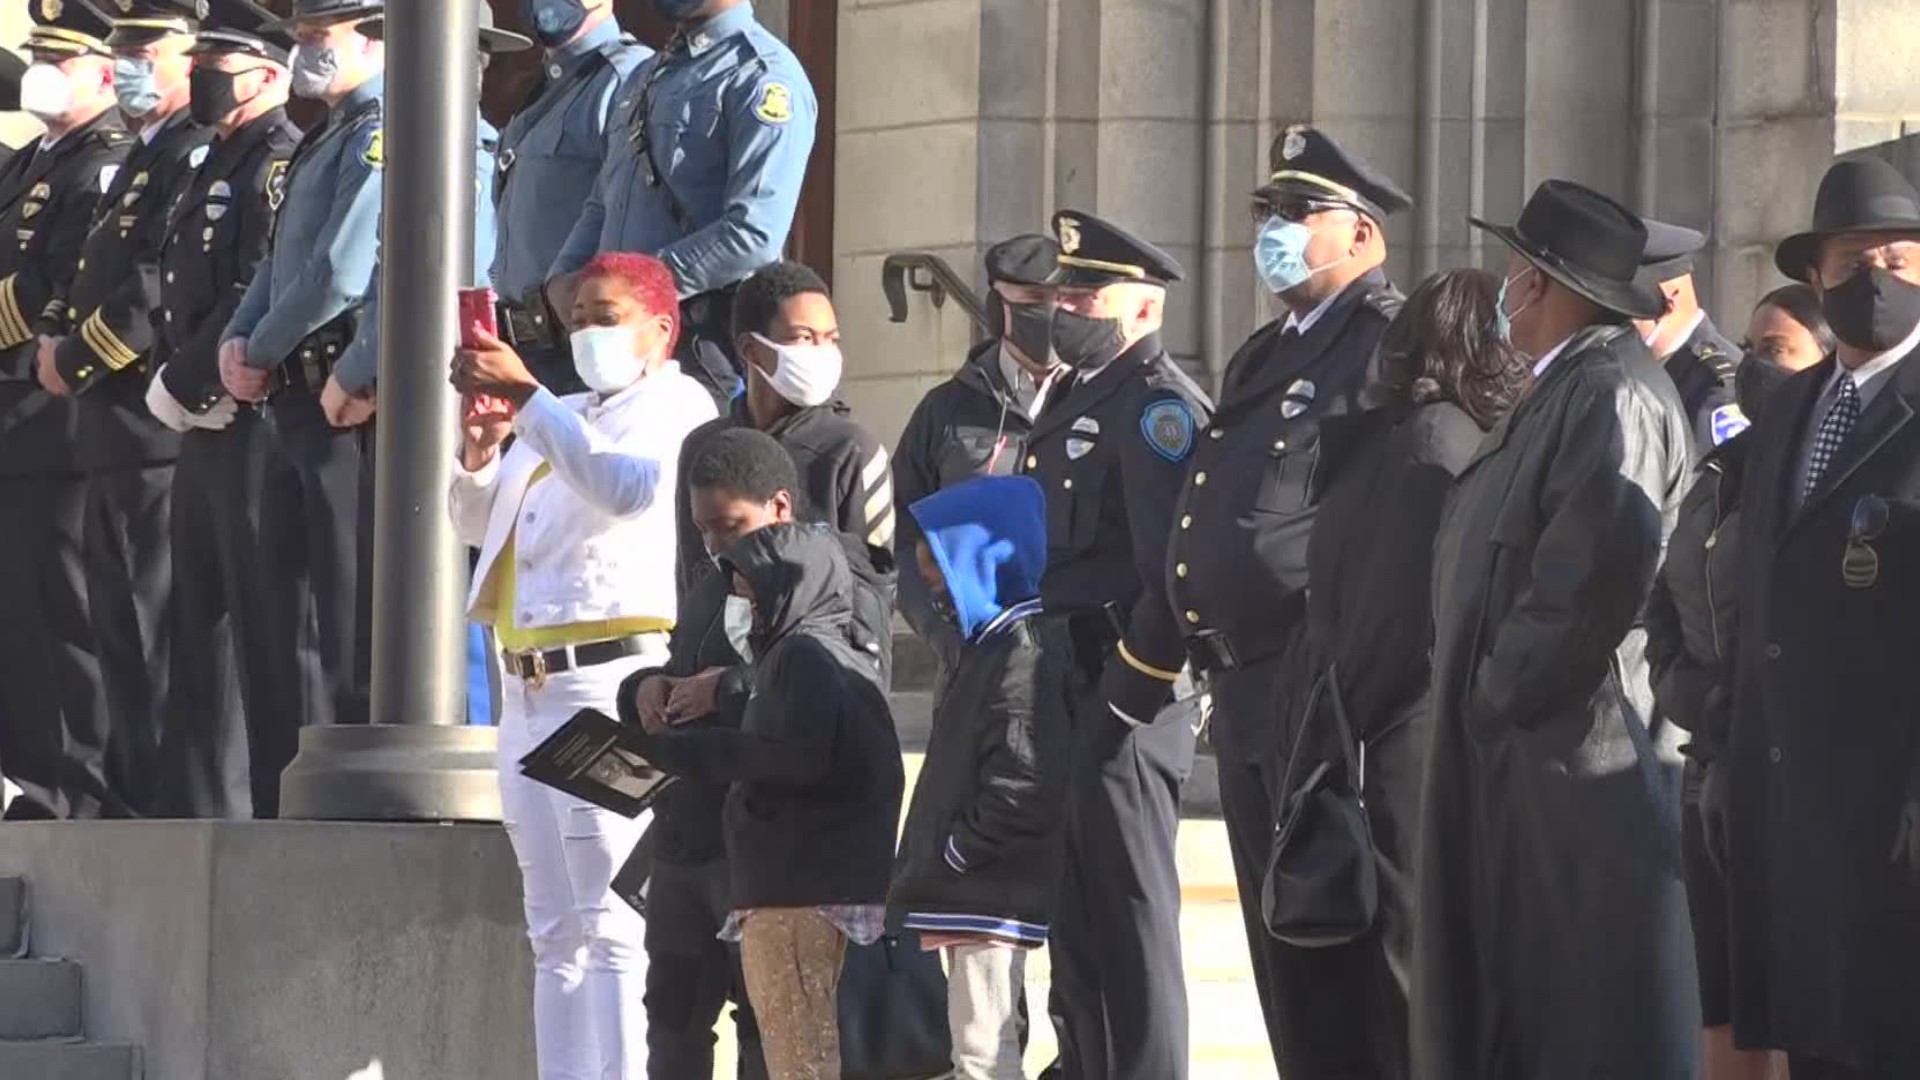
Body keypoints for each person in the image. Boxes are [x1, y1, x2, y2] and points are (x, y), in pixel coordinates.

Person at [1413, 179, 1699, 1079]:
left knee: (1591, 1018)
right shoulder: (1566, 388)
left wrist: (1492, 696)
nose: (1504, 288)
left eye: (1515, 270)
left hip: (1580, 769)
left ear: (1540, 285)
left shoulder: (1612, 394)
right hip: (1527, 769)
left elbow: (1587, 586)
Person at [1162, 124, 1409, 1078]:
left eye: (1300, 213)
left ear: (1361, 234)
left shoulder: (1385, 342)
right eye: (1267, 210)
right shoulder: (1267, 350)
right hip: (1251, 691)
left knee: (1349, 948)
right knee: (1284, 950)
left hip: (1326, 690)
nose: (1276, 229)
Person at [448, 251, 717, 1080]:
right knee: (552, 926)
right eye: (576, 322)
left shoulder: (676, 403)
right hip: (529, 682)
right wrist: (481, 450)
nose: (587, 335)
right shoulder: (558, 410)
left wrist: (528, 403)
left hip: (614, 680)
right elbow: (472, 524)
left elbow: (627, 489)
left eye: (607, 317)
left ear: (660, 329)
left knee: (610, 920)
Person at [1713, 156, 1920, 1080]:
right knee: (1816, 1043)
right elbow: (1757, 599)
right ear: (1816, 277)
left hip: (1893, 813)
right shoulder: (1791, 406)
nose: (1875, 278)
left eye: (1900, 259)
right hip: (1791, 803)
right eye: (1851, 261)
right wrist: (1729, 750)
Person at [1023, 210, 1211, 1080]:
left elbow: (1170, 569)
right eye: (1063, 290)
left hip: (1121, 691)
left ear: (1141, 308)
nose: (1067, 306)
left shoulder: (1157, 406)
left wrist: (1127, 694)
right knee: (1076, 925)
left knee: (1130, 928)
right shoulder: (1069, 394)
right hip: (1062, 684)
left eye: (1086, 292)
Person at [633, 519, 904, 1080]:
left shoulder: (802, 657)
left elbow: (785, 757)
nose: (743, 603)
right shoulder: (836, 655)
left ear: (787, 590)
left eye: (752, 591)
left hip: (797, 903)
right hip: (818, 895)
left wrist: (680, 755)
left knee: (799, 1063)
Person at [26, 0, 212, 818]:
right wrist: (62, 339)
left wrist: (72, 354)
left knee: (142, 623)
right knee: (100, 623)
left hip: (142, 418)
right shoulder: (140, 156)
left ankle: (143, 798)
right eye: (125, 49)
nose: (135, 63)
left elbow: (145, 289)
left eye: (149, 51)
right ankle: (113, 796)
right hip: (101, 423)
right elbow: (83, 279)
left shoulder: (185, 151)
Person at [1645, 283, 1830, 1080]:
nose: (1754, 366)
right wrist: (1692, 695)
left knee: (1792, 1005)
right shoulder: (1722, 469)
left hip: (1788, 774)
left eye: (1777, 350)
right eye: (1750, 347)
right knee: (1719, 999)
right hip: (1708, 762)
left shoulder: (1828, 477)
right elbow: (1664, 603)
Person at [144, 0, 300, 819]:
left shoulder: (275, 160)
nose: (205, 75)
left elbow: (255, 284)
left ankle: (268, 806)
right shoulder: (213, 159)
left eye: (222, 63)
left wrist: (191, 380)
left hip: (246, 416)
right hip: (202, 428)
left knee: (264, 626)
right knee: (196, 627)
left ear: (268, 75)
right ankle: (201, 807)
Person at [217, 0, 384, 752]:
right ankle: (286, 787)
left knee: (342, 616)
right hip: (293, 395)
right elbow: (279, 263)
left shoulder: (382, 136)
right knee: (283, 613)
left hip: (341, 400)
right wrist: (239, 336)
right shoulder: (328, 136)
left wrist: (264, 346)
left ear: (378, 38)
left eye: (323, 36)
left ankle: (338, 787)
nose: (307, 49)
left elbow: (339, 274)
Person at [616, 428, 788, 1080]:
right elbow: (676, 666)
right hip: (683, 841)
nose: (716, 543)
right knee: (673, 1021)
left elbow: (829, 699)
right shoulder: (711, 586)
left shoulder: (825, 585)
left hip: (758, 847)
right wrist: (646, 691)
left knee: (763, 1031)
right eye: (704, 529)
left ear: (778, 507)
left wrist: (729, 690)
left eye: (729, 525)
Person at [546, 0, 817, 406]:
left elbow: (753, 232)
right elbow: (605, 198)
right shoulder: (647, 74)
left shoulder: (762, 76)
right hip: (611, 340)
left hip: (697, 341)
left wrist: (642, 287)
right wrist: (564, 276)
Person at [0, 0, 134, 819]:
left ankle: (81, 786)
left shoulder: (103, 163)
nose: (43, 70)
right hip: (14, 417)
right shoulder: (27, 161)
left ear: (100, 72)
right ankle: (34, 779)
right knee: (22, 615)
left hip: (51, 413)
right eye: (37, 54)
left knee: (68, 612)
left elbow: (53, 285)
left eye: (64, 58)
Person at [890, 475, 1071, 1080]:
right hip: (971, 888)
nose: (933, 589)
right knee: (975, 1049)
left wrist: (959, 851)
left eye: (941, 569)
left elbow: (1024, 779)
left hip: (987, 891)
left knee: (984, 1056)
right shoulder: (986, 644)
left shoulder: (1020, 650)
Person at [674, 260, 896, 687]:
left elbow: (871, 595)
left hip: (808, 687)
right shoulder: (702, 447)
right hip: (707, 691)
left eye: (830, 339)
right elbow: (693, 576)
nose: (821, 352)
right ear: (750, 350)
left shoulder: (851, 450)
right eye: (803, 338)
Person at [323, 0, 528, 423]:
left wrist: (355, 369)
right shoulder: (416, 155)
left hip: (436, 386)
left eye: (405, 52)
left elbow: (439, 283)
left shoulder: (466, 160)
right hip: (396, 379)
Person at [893, 234, 1064, 674]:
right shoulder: (945, 411)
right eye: (1034, 300)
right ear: (998, 309)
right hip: (974, 665)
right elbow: (903, 534)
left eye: (1061, 299)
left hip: (1076, 664)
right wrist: (940, 634)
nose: (1049, 313)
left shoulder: (1103, 401)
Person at [490, 0, 648, 396]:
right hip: (521, 349)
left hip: (579, 350)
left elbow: (630, 215)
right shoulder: (546, 87)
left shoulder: (627, 77)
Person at [1634, 217, 1744, 454]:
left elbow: (1709, 486)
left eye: (1623, 308)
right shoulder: (1649, 370)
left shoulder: (1719, 390)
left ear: (1667, 301)